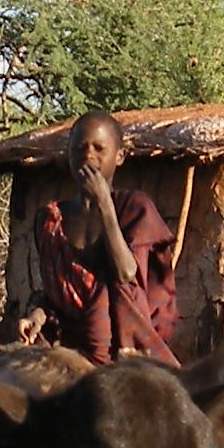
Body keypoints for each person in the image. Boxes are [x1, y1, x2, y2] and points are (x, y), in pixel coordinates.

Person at [16, 109, 180, 365]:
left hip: (127, 357)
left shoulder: (135, 208)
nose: (88, 157)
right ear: (68, 155)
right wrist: (38, 315)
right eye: (79, 149)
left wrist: (105, 204)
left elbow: (126, 273)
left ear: (119, 156)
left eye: (99, 148)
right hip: (70, 356)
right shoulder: (50, 220)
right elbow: (56, 295)